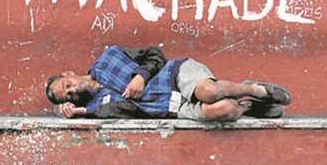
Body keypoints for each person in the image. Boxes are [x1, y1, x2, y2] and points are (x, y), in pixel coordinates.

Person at [45, 45, 292, 122]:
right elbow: (128, 110)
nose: (73, 91)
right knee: (224, 110)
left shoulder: (109, 56)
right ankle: (250, 107)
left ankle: (253, 89)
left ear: (69, 73)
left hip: (175, 74)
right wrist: (76, 112)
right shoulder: (96, 107)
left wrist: (141, 76)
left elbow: (155, 54)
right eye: (69, 96)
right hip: (171, 107)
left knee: (208, 91)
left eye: (67, 85)